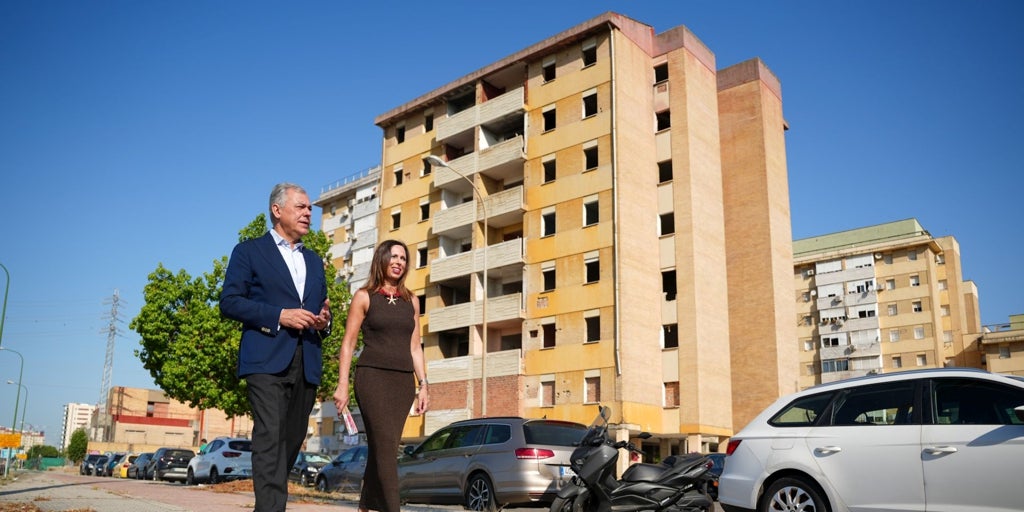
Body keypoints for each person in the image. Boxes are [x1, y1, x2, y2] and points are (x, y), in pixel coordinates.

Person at [221, 182, 331, 512]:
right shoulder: (249, 251)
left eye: (310, 208)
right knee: (270, 434)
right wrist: (279, 315)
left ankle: (269, 506)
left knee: (291, 440)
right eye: (301, 207)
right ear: (277, 210)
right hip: (265, 358)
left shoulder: (315, 261)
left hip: (306, 359)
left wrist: (324, 322)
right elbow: (230, 302)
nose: (309, 213)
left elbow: (322, 310)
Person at [334, 239, 429, 512]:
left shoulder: (412, 301)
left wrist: (423, 385)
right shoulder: (364, 296)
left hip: (402, 383)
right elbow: (348, 343)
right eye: (394, 256)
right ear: (382, 260)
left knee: (383, 448)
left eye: (403, 258)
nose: (399, 262)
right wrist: (342, 385)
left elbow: (415, 347)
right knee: (386, 448)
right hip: (372, 379)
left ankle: (365, 505)